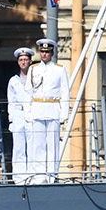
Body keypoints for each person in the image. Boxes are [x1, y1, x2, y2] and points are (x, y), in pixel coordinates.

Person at [26, 38, 69, 181]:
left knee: (52, 145)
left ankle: (52, 174)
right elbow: (29, 92)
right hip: (38, 109)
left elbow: (65, 92)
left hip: (53, 109)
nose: (44, 54)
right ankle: (39, 175)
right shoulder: (33, 69)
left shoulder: (59, 69)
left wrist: (64, 114)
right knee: (38, 145)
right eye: (42, 51)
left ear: (52, 53)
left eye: (47, 52)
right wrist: (28, 112)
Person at [6, 47, 35, 182]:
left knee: (32, 146)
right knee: (18, 147)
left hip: (32, 113)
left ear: (30, 61)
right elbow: (11, 102)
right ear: (18, 62)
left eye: (26, 59)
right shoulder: (13, 81)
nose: (23, 62)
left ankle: (32, 175)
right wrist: (11, 120)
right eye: (21, 60)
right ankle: (19, 177)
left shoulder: (36, 78)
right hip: (18, 114)